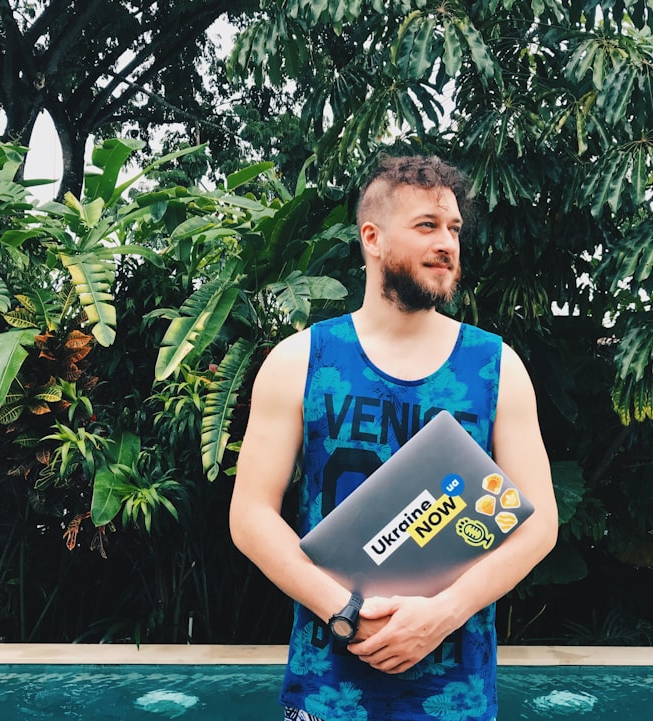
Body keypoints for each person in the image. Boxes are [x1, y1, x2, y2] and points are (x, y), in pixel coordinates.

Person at [229, 155, 558, 721]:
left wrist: (443, 613)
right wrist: (347, 611)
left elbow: (540, 525)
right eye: (427, 226)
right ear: (373, 238)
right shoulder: (300, 360)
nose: (448, 243)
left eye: (454, 229)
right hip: (327, 688)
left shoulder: (496, 367)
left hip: (456, 693)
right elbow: (252, 516)